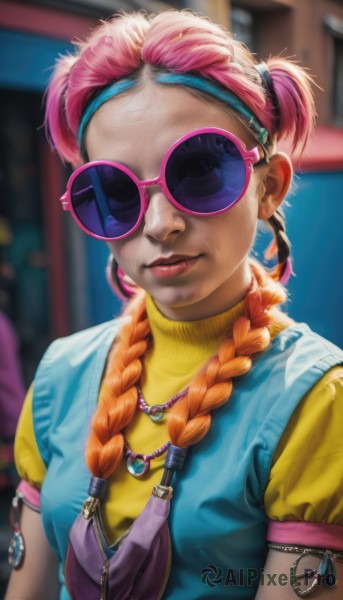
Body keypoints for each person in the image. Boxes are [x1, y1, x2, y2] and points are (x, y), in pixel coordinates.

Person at [5, 9, 343, 600]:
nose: (161, 225)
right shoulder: (60, 376)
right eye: (113, 193)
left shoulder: (317, 404)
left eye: (199, 171)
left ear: (270, 186)